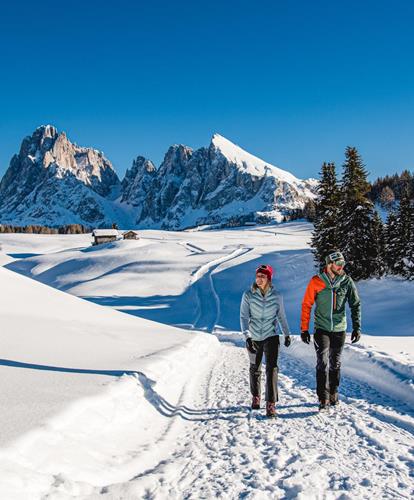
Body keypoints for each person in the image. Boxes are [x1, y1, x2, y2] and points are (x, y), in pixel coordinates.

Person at [300, 250, 362, 411]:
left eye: (343, 264)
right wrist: (304, 329)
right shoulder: (316, 282)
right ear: (329, 265)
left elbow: (355, 305)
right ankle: (323, 397)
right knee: (323, 361)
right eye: (338, 264)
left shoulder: (347, 282)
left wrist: (357, 327)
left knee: (335, 362)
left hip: (340, 329)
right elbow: (307, 305)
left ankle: (334, 392)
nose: (342, 266)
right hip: (321, 328)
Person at [240, 264, 291, 418]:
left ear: (269, 278)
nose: (259, 279)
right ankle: (256, 396)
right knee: (255, 368)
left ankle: (271, 403)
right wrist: (247, 336)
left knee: (272, 368)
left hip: (271, 335)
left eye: (263, 276)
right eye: (258, 276)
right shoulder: (248, 294)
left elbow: (281, 316)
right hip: (254, 336)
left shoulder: (277, 296)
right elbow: (243, 317)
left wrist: (287, 334)